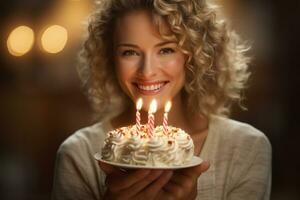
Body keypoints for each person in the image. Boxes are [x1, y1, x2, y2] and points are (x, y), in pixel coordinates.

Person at [52, 0, 272, 199]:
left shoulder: (246, 148)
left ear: (194, 54)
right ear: (111, 59)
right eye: (130, 52)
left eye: (166, 50)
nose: (147, 71)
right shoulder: (78, 155)